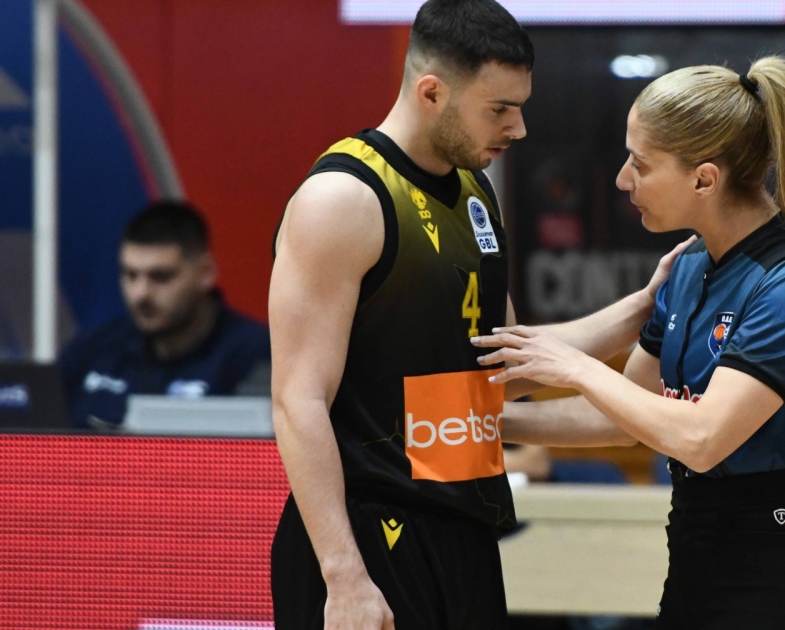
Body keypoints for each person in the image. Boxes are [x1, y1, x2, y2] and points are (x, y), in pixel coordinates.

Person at [268, 1, 691, 628]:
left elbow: (501, 367)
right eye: (499, 109)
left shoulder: (475, 192)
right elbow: (297, 400)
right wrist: (343, 574)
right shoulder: (342, 199)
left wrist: (642, 307)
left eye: (521, 106)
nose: (519, 128)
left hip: (461, 526)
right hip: (368, 531)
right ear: (431, 92)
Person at [476, 57, 785, 629]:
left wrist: (577, 367)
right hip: (696, 544)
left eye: (640, 163)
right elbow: (622, 417)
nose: (622, 179)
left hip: (783, 556)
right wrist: (476, 424)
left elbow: (702, 438)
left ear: (704, 179)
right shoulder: (688, 266)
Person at [59, 201, 271, 429]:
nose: (141, 293)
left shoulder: (256, 356)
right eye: (131, 275)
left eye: (161, 276)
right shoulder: (92, 350)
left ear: (206, 273)